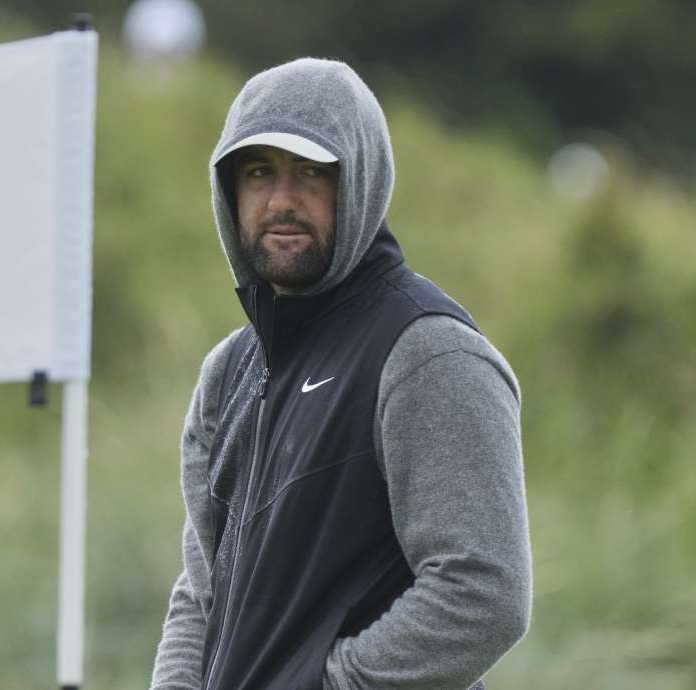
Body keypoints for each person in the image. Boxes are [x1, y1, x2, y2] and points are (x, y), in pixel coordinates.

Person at [149, 58, 532, 690]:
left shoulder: (429, 354)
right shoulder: (227, 373)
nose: (281, 201)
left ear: (360, 182)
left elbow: (484, 591)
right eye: (258, 172)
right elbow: (201, 589)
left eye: (310, 173)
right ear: (230, 192)